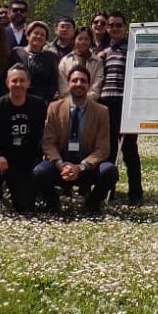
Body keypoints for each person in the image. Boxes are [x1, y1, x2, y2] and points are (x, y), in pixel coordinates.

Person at [35, 65, 117, 215]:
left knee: (109, 171)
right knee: (39, 172)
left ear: (89, 85)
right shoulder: (54, 108)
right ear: (68, 84)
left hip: (87, 168)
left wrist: (80, 167)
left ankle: (92, 204)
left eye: (83, 81)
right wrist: (60, 164)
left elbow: (103, 148)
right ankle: (52, 203)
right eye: (75, 80)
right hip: (61, 166)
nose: (79, 84)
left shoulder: (101, 111)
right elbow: (48, 142)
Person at [0, 63, 48, 215]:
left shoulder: (39, 105)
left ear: (28, 83)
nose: (18, 84)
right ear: (7, 83)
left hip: (25, 161)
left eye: (22, 80)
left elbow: (45, 134)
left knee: (25, 207)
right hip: (2, 160)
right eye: (14, 80)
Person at [99, 12, 142, 204]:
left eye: (118, 25)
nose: (115, 28)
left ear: (125, 27)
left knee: (130, 151)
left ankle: (135, 193)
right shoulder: (103, 52)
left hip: (126, 105)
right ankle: (109, 192)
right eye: (111, 25)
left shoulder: (133, 49)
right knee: (108, 151)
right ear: (107, 28)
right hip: (105, 105)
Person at [13, 20, 60, 102]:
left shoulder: (51, 57)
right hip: (16, 99)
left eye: (42, 35)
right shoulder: (16, 53)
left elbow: (53, 83)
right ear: (28, 35)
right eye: (36, 33)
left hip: (41, 102)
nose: (39, 36)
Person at [57, 28, 103, 100]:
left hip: (91, 103)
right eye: (80, 39)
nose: (83, 42)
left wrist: (83, 101)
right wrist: (72, 101)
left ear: (91, 41)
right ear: (74, 40)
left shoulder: (98, 62)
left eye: (86, 39)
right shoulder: (65, 60)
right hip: (67, 102)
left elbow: (96, 87)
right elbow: (62, 86)